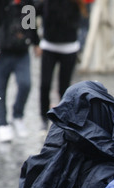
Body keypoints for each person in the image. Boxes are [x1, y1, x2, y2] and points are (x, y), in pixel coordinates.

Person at [0, 0, 40, 142]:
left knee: (25, 84)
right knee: (0, 88)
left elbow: (31, 24)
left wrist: (36, 43)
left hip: (21, 51)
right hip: (0, 49)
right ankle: (2, 124)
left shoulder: (27, 4)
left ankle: (18, 115)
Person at [36, 0, 88, 130]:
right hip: (48, 46)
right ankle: (43, 117)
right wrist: (33, 39)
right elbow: (29, 10)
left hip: (69, 48)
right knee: (45, 84)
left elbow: (84, 21)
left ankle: (63, 119)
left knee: (64, 88)